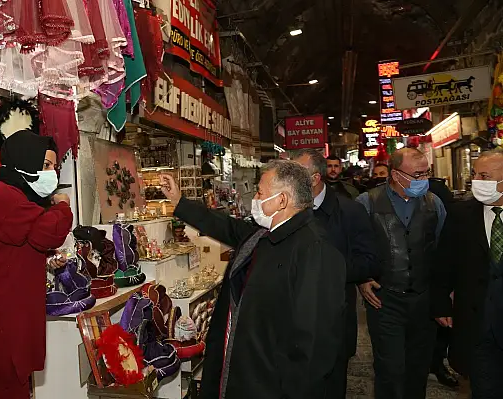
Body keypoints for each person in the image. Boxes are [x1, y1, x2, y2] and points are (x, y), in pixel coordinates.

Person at [159, 160, 346, 399]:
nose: (255, 199)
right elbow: (225, 226)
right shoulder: (264, 235)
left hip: (273, 384)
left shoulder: (315, 250)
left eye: (260, 192)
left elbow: (315, 344)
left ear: (282, 200)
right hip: (245, 371)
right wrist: (179, 201)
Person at [0, 130, 73, 398]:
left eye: (54, 167)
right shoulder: (1, 195)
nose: (52, 172)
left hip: (13, 310)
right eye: (46, 165)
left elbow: (21, 242)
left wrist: (46, 260)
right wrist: (63, 207)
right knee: (10, 386)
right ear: (27, 159)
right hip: (4, 317)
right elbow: (47, 232)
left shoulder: (15, 194)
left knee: (17, 384)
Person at [356, 148, 446, 399]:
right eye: (417, 174)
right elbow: (355, 246)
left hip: (423, 299)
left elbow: (442, 248)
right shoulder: (367, 203)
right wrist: (362, 279)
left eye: (426, 172)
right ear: (395, 174)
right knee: (390, 368)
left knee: (418, 367)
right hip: (385, 299)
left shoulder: (434, 203)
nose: (423, 179)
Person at [294, 149, 378, 398]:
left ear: (314, 179)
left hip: (333, 320)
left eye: (295, 174)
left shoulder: (349, 211)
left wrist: (328, 270)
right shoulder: (286, 209)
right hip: (292, 323)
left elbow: (370, 262)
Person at [432, 149, 503, 398]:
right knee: (484, 388)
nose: (477, 182)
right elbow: (444, 262)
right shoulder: (461, 215)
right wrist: (441, 304)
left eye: (485, 175)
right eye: (475, 174)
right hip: (477, 321)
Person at [426, 176, 459, 389]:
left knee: (442, 330)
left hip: (443, 274)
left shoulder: (439, 196)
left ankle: (437, 364)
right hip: (419, 276)